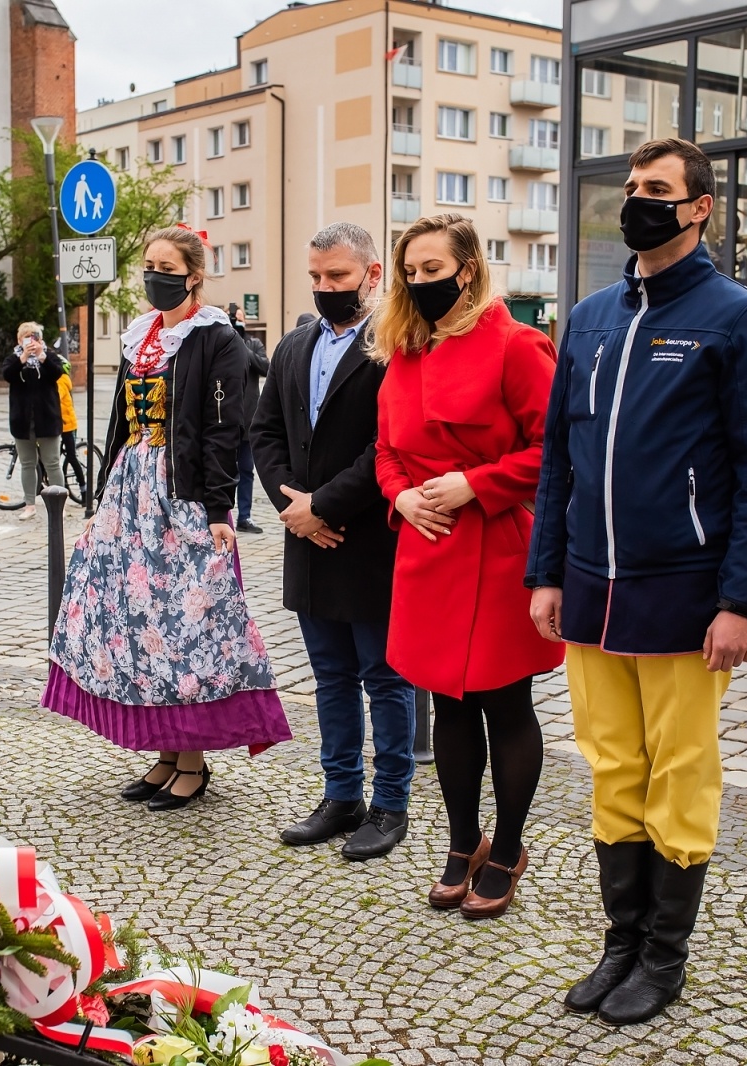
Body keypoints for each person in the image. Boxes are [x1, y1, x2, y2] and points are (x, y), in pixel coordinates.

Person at [528, 138, 747, 1026]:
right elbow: (560, 457)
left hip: (684, 588)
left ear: (700, 206)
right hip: (592, 590)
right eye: (633, 188)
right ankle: (619, 943)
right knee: (612, 768)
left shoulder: (735, 316)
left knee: (678, 771)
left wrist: (738, 600)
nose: (640, 201)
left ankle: (664, 957)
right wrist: (546, 573)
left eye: (659, 190)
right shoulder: (591, 315)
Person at [43, 225, 291, 809]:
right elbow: (118, 426)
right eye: (148, 264)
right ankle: (163, 753)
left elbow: (223, 431)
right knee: (143, 622)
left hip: (181, 494)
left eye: (166, 266)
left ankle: (194, 762)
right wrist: (100, 498)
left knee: (185, 624)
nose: (154, 275)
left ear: (194, 275)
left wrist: (218, 508)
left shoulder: (216, 340)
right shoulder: (141, 336)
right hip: (132, 488)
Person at [374, 212, 561, 919]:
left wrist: (473, 485)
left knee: (505, 705)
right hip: (427, 548)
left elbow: (553, 452)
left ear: (470, 269)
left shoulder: (517, 346)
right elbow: (385, 450)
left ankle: (508, 848)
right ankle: (462, 842)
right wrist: (402, 496)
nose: (421, 282)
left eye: (433, 269)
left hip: (497, 546)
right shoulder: (405, 351)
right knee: (447, 706)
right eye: (411, 272)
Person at [253, 222, 415, 862]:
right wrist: (294, 508)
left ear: (372, 276)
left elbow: (392, 445)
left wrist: (322, 505)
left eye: (338, 278)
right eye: (316, 278)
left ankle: (391, 803)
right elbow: (265, 434)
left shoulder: (397, 347)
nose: (325, 289)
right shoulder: (294, 347)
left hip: (370, 539)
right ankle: (340, 794)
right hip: (309, 544)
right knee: (330, 679)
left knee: (385, 678)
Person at [2, 322, 66, 518]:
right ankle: (29, 504)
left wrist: (42, 356)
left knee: (52, 463)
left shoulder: (49, 357)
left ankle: (58, 505)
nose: (31, 342)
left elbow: (58, 372)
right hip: (22, 421)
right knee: (27, 463)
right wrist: (22, 358)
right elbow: (7, 375)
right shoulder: (14, 359)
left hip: (47, 419)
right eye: (26, 338)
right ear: (19, 340)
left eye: (34, 338)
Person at [230, 308, 269, 534]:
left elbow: (266, 367)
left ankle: (244, 516)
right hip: (226, 420)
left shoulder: (253, 344)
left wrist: (242, 345)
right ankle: (221, 515)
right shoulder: (222, 343)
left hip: (249, 420)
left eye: (240, 317)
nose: (237, 321)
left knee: (246, 470)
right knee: (222, 470)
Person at [58, 366, 87, 492]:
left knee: (71, 456)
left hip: (67, 425)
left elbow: (55, 398)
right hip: (57, 425)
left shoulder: (61, 380)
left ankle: (83, 488)